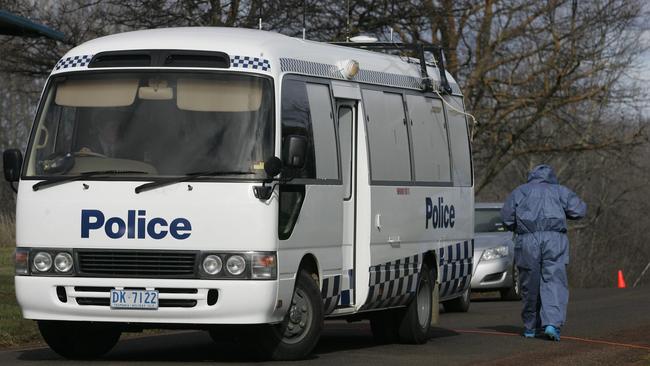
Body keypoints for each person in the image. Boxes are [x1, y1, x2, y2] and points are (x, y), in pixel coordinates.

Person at [500, 164, 586, 341]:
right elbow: (579, 210)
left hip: (527, 239)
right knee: (554, 280)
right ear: (551, 177)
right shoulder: (560, 191)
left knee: (529, 282)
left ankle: (530, 326)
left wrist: (518, 225)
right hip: (555, 239)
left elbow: (506, 218)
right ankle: (551, 324)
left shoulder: (520, 191)